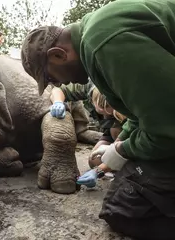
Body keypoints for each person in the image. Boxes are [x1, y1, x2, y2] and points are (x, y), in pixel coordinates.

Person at [21, 0, 175, 239]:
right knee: (126, 185)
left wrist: (123, 149)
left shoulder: (103, 42)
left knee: (124, 208)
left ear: (59, 54)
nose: (59, 84)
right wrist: (117, 149)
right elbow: (140, 114)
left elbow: (167, 128)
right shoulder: (94, 39)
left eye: (52, 77)